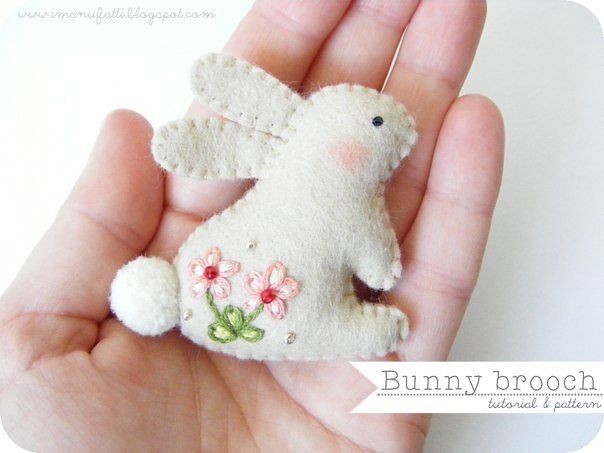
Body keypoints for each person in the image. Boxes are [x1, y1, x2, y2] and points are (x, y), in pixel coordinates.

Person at [0, 1, 504, 451]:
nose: (385, 134)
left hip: (210, 285)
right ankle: (347, 327)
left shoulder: (343, 197)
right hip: (235, 296)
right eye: (374, 126)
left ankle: (345, 326)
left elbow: (375, 260)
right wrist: (378, 267)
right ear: (347, 147)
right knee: (334, 318)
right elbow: (376, 265)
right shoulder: (354, 206)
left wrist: (379, 266)